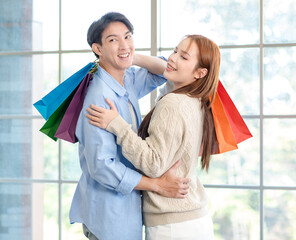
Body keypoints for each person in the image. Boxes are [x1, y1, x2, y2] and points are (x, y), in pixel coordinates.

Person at [69, 12, 191, 240]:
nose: (124, 44)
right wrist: (157, 185)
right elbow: (102, 166)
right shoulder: (99, 97)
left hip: (124, 212)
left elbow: (165, 70)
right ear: (98, 49)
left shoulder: (127, 79)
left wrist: (129, 56)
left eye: (128, 37)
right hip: (108, 216)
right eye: (113, 40)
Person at [86, 34, 220, 239]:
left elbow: (153, 163)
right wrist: (130, 56)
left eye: (184, 57)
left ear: (200, 73)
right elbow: (162, 67)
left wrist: (117, 125)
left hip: (173, 226)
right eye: (175, 51)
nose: (172, 58)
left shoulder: (173, 103)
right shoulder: (195, 99)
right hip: (192, 219)